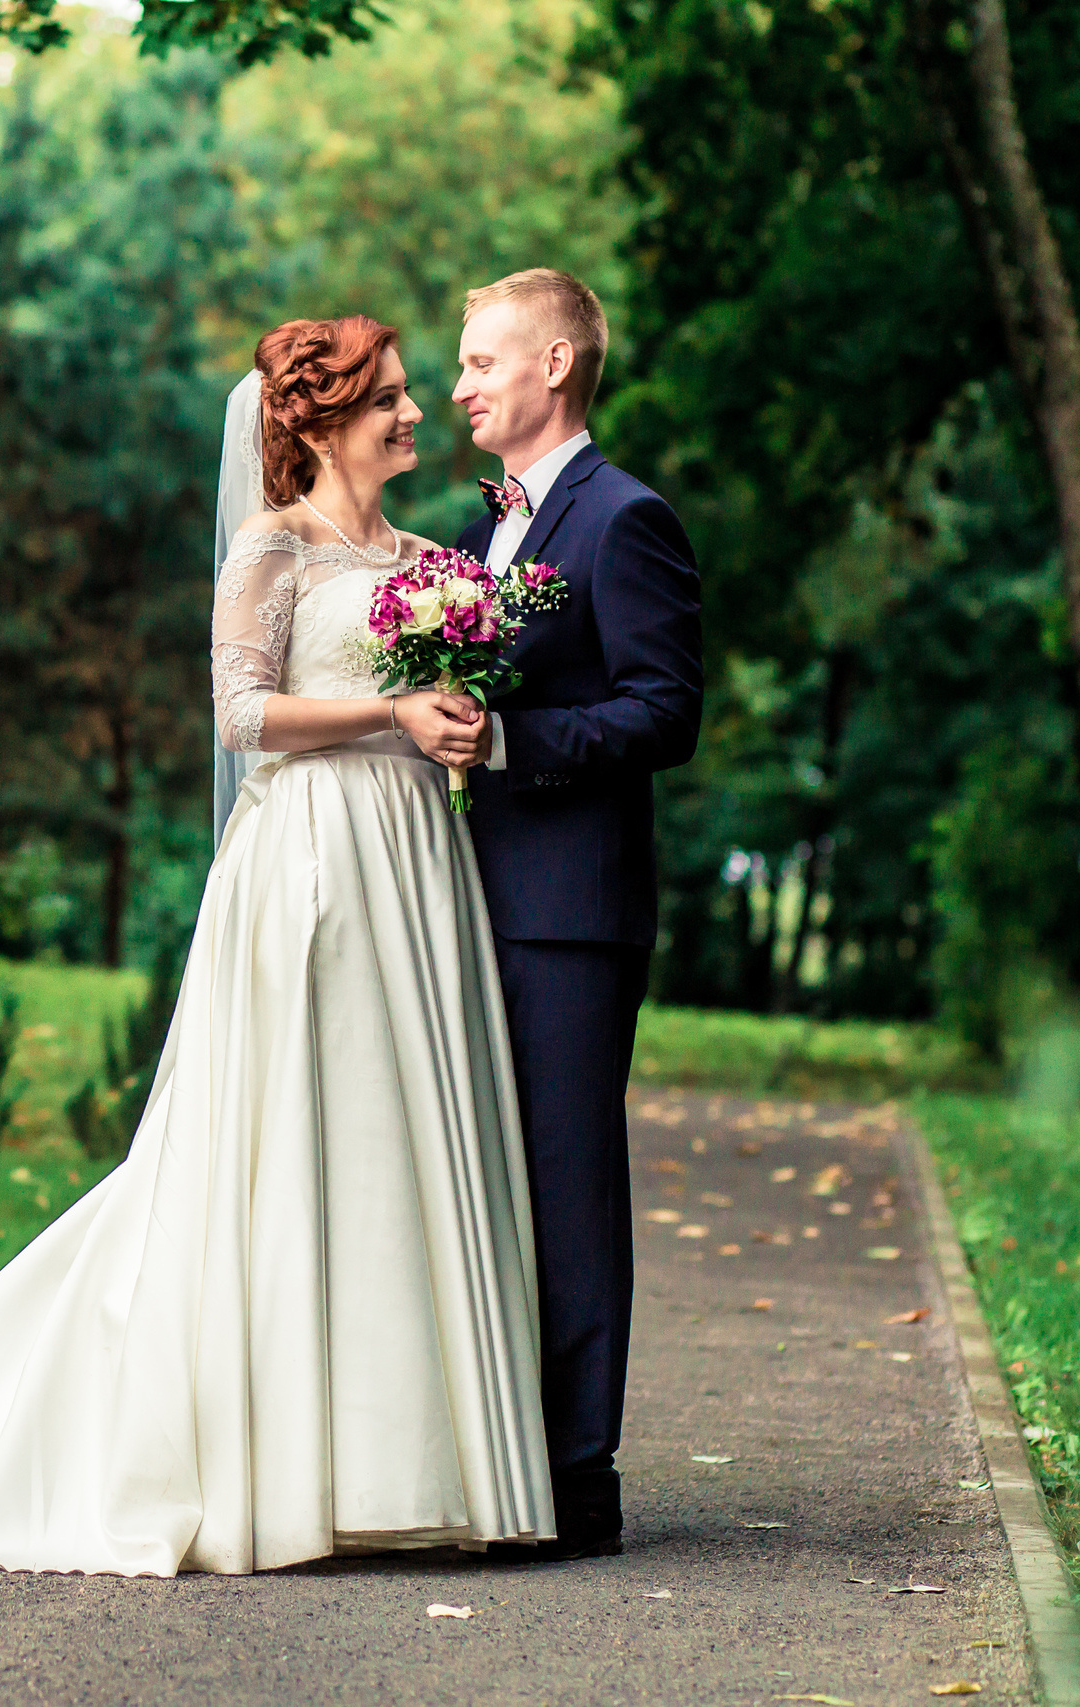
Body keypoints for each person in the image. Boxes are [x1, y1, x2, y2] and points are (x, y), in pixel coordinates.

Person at [0, 316, 558, 1575]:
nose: (415, 415)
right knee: (289, 1134)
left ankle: (402, 1467)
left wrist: (445, 721)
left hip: (412, 861)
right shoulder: (271, 548)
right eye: (391, 398)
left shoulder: (427, 557)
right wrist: (387, 709)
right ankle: (273, 1465)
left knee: (395, 1132)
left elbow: (426, 705)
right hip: (306, 860)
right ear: (318, 417)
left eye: (410, 395)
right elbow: (241, 712)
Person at [412, 268, 703, 1561]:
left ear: (555, 369)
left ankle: (580, 1477)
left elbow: (664, 708)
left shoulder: (624, 519)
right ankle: (505, 1451)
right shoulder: (489, 533)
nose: (461, 382)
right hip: (477, 895)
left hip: (573, 913)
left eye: (482, 360)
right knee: (495, 1180)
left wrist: (513, 742)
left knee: (569, 1186)